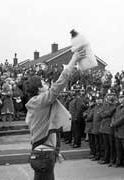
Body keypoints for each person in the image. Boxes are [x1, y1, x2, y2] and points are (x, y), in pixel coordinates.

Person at [25, 47, 86, 180]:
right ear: (39, 88)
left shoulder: (35, 103)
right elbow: (60, 82)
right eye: (43, 83)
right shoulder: (41, 101)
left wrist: (55, 151)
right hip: (44, 154)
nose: (47, 84)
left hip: (41, 152)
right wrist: (74, 59)